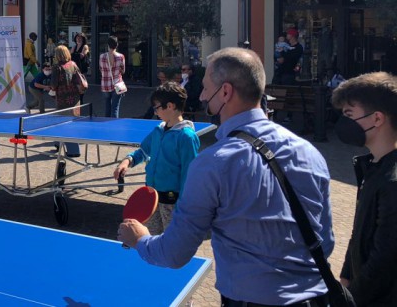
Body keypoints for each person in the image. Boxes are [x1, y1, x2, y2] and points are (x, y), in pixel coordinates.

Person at [118, 47, 334, 306]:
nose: (201, 95)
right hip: (315, 298)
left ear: (226, 92)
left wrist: (139, 239)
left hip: (249, 299)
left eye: (206, 88)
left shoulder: (213, 163)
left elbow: (174, 253)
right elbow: (326, 243)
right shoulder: (310, 153)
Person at [331, 72, 397, 305]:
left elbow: (385, 258)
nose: (344, 122)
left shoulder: (392, 181)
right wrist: (347, 276)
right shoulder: (373, 167)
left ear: (377, 119)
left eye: (349, 115)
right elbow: (360, 232)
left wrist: (350, 299)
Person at [113, 83, 200, 235]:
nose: (155, 112)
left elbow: (190, 174)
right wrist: (127, 161)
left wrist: (185, 206)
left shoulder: (186, 137)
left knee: (171, 243)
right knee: (152, 239)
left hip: (172, 203)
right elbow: (143, 151)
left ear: (170, 106)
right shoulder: (158, 131)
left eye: (157, 108)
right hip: (152, 198)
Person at [50, 45, 83, 157]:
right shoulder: (73, 64)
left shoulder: (56, 67)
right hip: (75, 99)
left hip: (63, 99)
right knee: (71, 123)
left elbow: (54, 85)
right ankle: (58, 143)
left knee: (64, 123)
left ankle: (74, 151)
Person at [99, 36, 126, 118]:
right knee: (115, 108)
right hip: (117, 85)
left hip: (105, 85)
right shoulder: (121, 56)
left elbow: (101, 70)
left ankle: (106, 127)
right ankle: (114, 126)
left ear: (108, 45)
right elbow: (123, 71)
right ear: (117, 45)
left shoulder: (102, 56)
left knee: (107, 107)